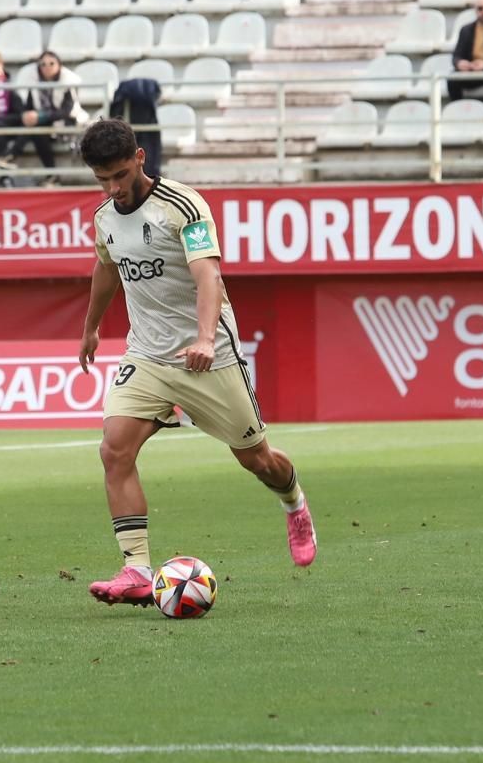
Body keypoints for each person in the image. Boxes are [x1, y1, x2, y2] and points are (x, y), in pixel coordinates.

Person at [77, 118, 316, 609]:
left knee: (256, 459)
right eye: (103, 179)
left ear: (140, 158)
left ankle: (293, 501)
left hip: (209, 355)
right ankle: (137, 569)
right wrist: (91, 326)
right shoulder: (104, 217)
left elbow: (208, 276)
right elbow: (107, 268)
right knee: (114, 450)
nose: (114, 188)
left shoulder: (182, 205)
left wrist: (205, 338)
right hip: (147, 354)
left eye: (120, 175)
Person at [17, 49, 87, 176]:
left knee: (36, 128)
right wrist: (27, 115)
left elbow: (67, 111)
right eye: (43, 64)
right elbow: (29, 106)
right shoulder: (35, 82)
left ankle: (11, 155)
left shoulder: (68, 81)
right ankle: (52, 175)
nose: (47, 67)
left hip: (67, 122)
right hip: (44, 123)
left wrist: (40, 116)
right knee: (34, 128)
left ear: (59, 64)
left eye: (51, 63)